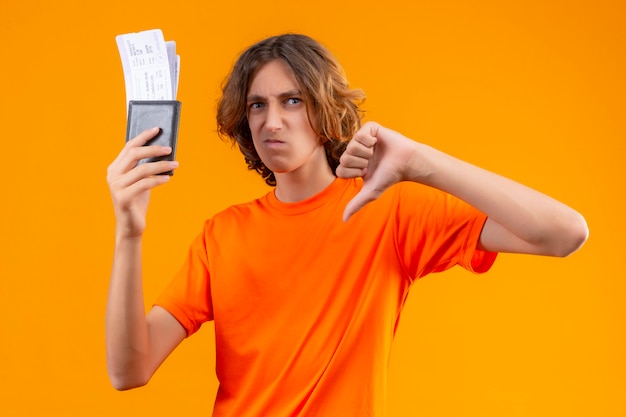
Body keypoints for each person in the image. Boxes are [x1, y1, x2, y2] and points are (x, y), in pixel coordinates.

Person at [105, 33, 588, 416]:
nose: (272, 121)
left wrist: (420, 162)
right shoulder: (221, 235)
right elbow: (130, 370)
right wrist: (129, 231)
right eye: (258, 105)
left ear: (324, 109)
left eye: (292, 101)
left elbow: (564, 232)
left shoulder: (387, 211)